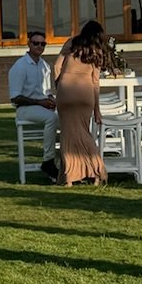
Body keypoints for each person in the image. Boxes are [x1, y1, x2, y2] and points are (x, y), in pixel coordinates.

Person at [53, 27, 109, 186]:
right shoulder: (97, 51)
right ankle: (96, 171)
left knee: (68, 135)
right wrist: (96, 110)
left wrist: (60, 86)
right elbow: (95, 82)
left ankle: (69, 177)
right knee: (84, 132)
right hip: (85, 93)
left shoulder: (71, 43)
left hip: (66, 90)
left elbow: (57, 67)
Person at [8, 29, 58, 176]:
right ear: (29, 44)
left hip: (41, 107)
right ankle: (48, 161)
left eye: (43, 44)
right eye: (36, 43)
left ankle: (65, 161)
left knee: (68, 118)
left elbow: (47, 91)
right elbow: (15, 98)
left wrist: (50, 99)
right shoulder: (20, 66)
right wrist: (40, 102)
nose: (39, 46)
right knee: (52, 118)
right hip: (25, 109)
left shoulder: (45, 66)